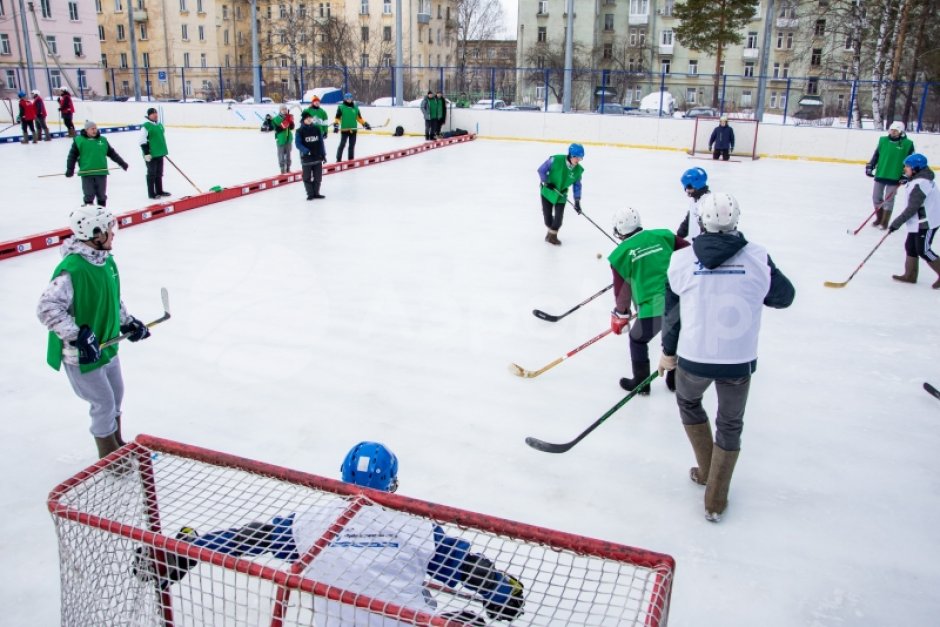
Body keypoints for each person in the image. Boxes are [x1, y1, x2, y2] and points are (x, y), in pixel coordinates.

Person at [134, 442, 525, 625]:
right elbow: (468, 568)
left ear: (342, 477)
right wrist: (502, 592)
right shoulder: (418, 527)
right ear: (392, 484)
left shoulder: (310, 524)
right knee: (467, 621)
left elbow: (248, 539)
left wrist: (185, 549)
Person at [658, 192, 794, 522]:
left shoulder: (680, 260)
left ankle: (706, 470)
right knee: (730, 423)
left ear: (701, 222)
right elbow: (783, 297)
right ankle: (715, 499)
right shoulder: (758, 257)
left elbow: (672, 315)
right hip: (738, 360)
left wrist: (667, 353)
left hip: (694, 358)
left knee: (689, 402)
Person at [37, 206, 152, 459]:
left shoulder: (107, 261)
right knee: (104, 404)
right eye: (110, 229)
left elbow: (113, 299)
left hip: (108, 345)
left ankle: (118, 443)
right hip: (83, 355)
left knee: (116, 397)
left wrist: (128, 322)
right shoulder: (72, 270)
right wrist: (77, 336)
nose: (114, 234)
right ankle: (109, 458)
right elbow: (47, 308)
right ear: (95, 233)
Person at [607, 208, 688, 395]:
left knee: (637, 339)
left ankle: (641, 383)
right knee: (674, 335)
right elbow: (689, 252)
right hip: (682, 299)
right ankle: (674, 380)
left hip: (654, 307)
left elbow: (622, 293)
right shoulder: (664, 235)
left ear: (619, 231)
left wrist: (621, 314)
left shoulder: (620, 254)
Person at [887, 153, 940, 287]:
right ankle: (910, 275)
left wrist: (896, 223)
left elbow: (912, 208)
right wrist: (908, 179)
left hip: (927, 222)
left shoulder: (920, 184)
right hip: (919, 221)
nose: (905, 169)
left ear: (916, 169)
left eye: (907, 167)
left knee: (923, 250)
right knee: (910, 246)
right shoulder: (920, 178)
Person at [65, 120, 129, 207]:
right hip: (86, 173)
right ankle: (89, 212)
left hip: (101, 172)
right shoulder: (79, 141)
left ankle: (102, 213)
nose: (94, 130)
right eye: (92, 129)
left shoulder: (102, 140)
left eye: (95, 128)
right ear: (86, 130)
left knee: (101, 195)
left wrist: (122, 163)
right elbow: (72, 156)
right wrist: (70, 169)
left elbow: (112, 154)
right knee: (89, 195)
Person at [866, 121, 915, 229]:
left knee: (889, 199)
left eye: (896, 130)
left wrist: (906, 175)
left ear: (901, 132)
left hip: (895, 175)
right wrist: (870, 166)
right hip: (881, 172)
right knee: (876, 197)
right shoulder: (883, 140)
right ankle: (879, 218)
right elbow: (876, 155)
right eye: (891, 130)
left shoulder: (908, 144)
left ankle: (884, 222)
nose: (893, 132)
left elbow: (910, 161)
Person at [536, 143, 584, 246]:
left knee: (558, 220)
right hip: (547, 192)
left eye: (580, 158)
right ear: (571, 155)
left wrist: (577, 201)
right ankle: (550, 233)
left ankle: (552, 237)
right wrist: (546, 182)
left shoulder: (578, 171)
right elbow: (541, 170)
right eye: (577, 157)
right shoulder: (555, 160)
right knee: (548, 220)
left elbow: (577, 186)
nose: (578, 160)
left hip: (561, 195)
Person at [139, 107, 171, 199]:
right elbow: (142, 141)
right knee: (151, 174)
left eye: (156, 113)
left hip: (160, 153)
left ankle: (159, 191)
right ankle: (151, 193)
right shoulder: (146, 126)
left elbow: (159, 139)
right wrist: (146, 153)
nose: (155, 115)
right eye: (152, 113)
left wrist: (162, 150)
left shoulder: (159, 125)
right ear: (149, 115)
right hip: (151, 155)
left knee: (159, 173)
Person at [295, 110, 327, 200]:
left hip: (317, 157)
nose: (309, 120)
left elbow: (321, 143)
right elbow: (298, 144)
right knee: (306, 177)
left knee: (318, 177)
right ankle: (310, 194)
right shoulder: (299, 131)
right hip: (306, 158)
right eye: (307, 118)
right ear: (303, 120)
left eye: (310, 118)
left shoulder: (317, 129)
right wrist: (306, 151)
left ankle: (316, 193)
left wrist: (323, 154)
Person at [333, 92, 371, 162]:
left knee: (352, 146)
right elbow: (337, 118)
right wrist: (336, 125)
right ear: (345, 99)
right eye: (347, 98)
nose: (349, 99)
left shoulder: (355, 108)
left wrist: (365, 124)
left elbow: (359, 118)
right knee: (342, 145)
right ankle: (338, 159)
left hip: (353, 130)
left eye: (350, 98)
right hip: (345, 129)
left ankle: (351, 160)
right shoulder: (341, 107)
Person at [676, 167, 710, 240]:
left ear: (698, 185)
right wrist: (680, 234)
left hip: (702, 245)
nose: (686, 190)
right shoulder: (695, 199)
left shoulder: (707, 202)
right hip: (694, 242)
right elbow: (690, 217)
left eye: (688, 187)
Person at [271, 105, 295, 173]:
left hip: (288, 138)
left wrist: (291, 122)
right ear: (280, 110)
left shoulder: (289, 117)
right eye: (283, 109)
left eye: (285, 109)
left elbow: (292, 127)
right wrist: (283, 126)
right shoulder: (276, 119)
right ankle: (282, 168)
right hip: (281, 139)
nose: (284, 110)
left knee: (288, 154)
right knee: (281, 154)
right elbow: (276, 129)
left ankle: (288, 168)